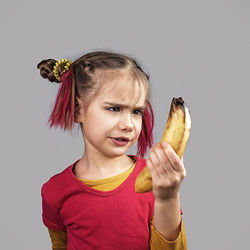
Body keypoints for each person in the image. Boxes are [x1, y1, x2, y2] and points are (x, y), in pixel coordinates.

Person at [37, 50, 187, 250]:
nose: (129, 125)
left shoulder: (153, 181)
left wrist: (168, 198)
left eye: (136, 112)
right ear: (77, 110)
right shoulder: (54, 191)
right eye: (114, 109)